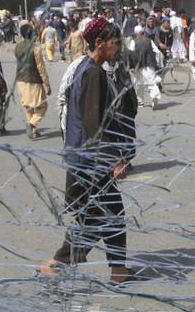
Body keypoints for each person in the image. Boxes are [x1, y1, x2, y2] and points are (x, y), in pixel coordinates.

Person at [41, 17, 132, 285]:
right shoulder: (93, 73)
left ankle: (118, 271)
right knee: (97, 220)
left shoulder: (84, 67)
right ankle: (57, 265)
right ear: (99, 43)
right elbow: (92, 122)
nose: (117, 49)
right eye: (114, 44)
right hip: (90, 162)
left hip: (84, 158)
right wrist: (112, 160)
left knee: (107, 216)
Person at [14, 23, 51, 140]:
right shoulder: (35, 48)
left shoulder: (17, 47)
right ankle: (32, 125)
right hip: (34, 81)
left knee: (28, 107)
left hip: (21, 81)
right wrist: (47, 84)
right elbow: (41, 67)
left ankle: (33, 131)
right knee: (42, 106)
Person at [129, 25, 162, 109]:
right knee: (152, 83)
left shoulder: (133, 42)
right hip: (149, 65)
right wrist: (157, 63)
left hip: (137, 67)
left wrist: (131, 66)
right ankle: (154, 97)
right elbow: (158, 52)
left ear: (135, 33)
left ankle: (140, 102)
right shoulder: (149, 41)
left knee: (138, 85)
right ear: (143, 32)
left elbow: (131, 55)